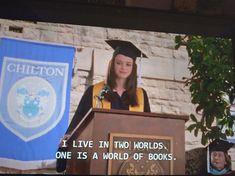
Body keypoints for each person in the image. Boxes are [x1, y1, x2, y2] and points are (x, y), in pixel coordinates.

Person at [56, 39, 151, 172]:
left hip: (130, 158)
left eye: (128, 64)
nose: (123, 67)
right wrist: (67, 140)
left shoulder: (141, 95)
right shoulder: (95, 91)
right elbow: (79, 121)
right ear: (112, 64)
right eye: (119, 63)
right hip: (99, 154)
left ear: (133, 67)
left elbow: (149, 128)